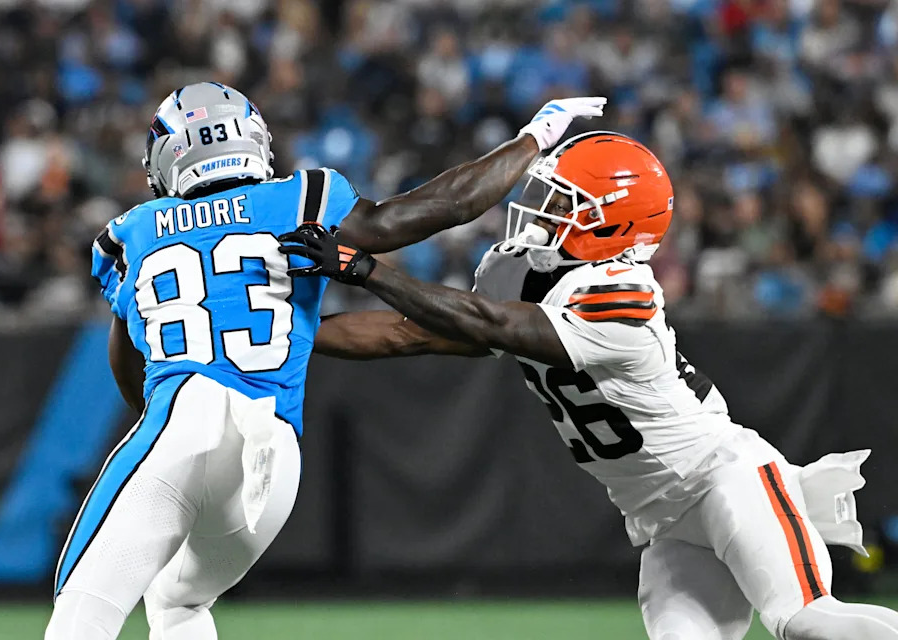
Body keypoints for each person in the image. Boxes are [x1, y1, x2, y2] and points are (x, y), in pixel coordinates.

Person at [44, 82, 607, 640]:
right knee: (178, 598)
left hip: (184, 422)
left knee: (81, 612)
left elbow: (131, 366)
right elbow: (444, 207)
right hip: (274, 457)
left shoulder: (132, 233)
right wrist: (535, 137)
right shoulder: (301, 199)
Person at [284, 131, 898, 640]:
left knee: (807, 622)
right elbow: (409, 334)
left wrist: (361, 268)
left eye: (566, 204)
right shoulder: (515, 270)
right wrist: (284, 333)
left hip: (724, 478)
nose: (544, 212)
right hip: (660, 521)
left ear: (615, 225)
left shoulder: (624, 292)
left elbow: (492, 322)